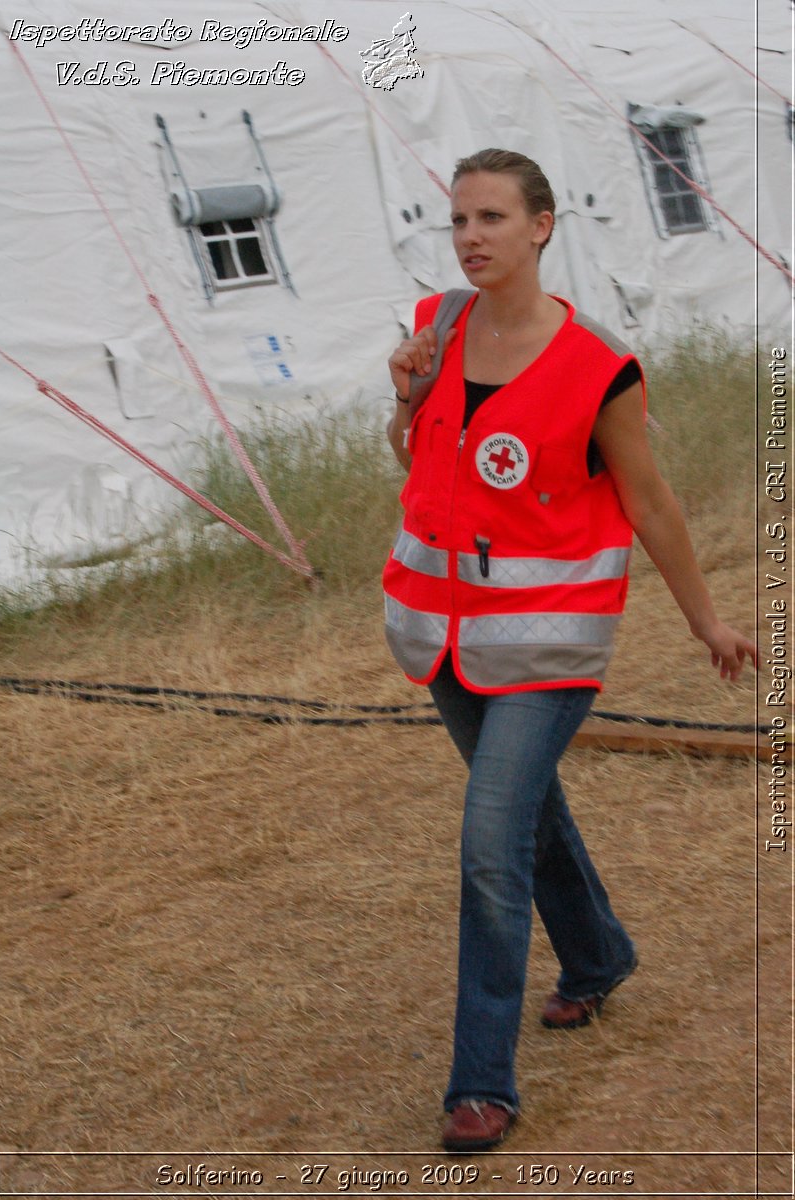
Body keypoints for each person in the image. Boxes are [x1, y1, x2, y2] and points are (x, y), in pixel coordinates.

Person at [382, 148, 755, 1153]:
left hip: (549, 648)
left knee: (489, 845)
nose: (470, 237)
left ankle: (480, 1084)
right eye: (458, 219)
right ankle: (597, 958)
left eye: (493, 218)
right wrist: (406, 400)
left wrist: (706, 622)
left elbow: (651, 503)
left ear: (542, 226)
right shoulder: (438, 327)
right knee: (528, 817)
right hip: (445, 637)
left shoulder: (599, 367)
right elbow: (413, 457)